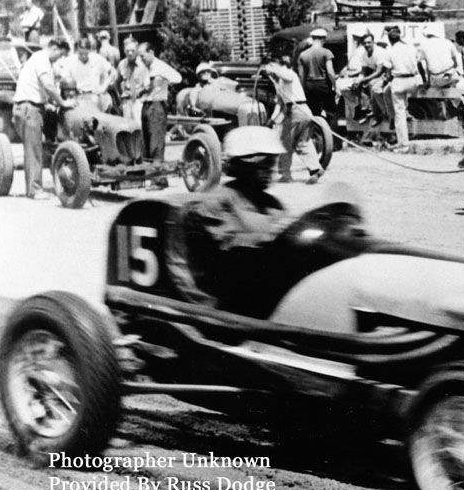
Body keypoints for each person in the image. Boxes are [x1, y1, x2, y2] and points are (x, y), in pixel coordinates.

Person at [173, 126, 290, 317]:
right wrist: (275, 237)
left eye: (273, 162)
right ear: (243, 165)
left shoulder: (270, 203)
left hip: (265, 290)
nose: (271, 170)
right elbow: (230, 244)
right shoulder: (214, 201)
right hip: (229, 300)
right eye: (265, 163)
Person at [12, 38, 72, 199]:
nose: (59, 59)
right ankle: (35, 190)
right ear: (54, 48)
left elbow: (43, 90)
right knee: (34, 149)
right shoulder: (41, 59)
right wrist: (62, 103)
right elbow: (48, 86)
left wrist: (50, 103)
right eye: (60, 54)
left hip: (34, 107)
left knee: (41, 144)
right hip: (28, 108)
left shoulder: (41, 60)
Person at [261, 55, 325, 184]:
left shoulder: (287, 73)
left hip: (297, 111)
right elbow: (280, 103)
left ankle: (285, 174)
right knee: (302, 142)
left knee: (285, 144)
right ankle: (316, 169)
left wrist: (273, 70)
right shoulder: (279, 81)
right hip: (301, 112)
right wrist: (271, 120)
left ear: (273, 65)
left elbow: (288, 77)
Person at [138, 42, 182, 164]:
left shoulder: (160, 66)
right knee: (146, 144)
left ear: (151, 53)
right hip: (146, 105)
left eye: (143, 56)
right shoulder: (144, 68)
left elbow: (178, 78)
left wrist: (164, 80)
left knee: (155, 144)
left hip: (156, 106)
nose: (141, 59)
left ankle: (157, 172)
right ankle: (150, 171)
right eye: (140, 57)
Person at [383, 25, 421, 153]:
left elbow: (388, 72)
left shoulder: (390, 50)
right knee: (388, 92)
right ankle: (397, 115)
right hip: (413, 80)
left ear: (390, 39)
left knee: (399, 114)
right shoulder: (410, 47)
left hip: (399, 81)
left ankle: (403, 145)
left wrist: (388, 78)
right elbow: (419, 64)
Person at [297, 28, 337, 127]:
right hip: (323, 84)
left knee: (314, 113)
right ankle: (333, 135)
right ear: (323, 39)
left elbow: (302, 76)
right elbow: (330, 72)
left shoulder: (303, 55)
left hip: (309, 85)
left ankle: (317, 133)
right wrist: (336, 87)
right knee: (331, 112)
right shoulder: (326, 52)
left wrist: (302, 91)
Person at [64, 37, 116, 111]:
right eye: (80, 54)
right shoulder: (70, 61)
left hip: (95, 96)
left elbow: (113, 72)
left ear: (90, 50)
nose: (83, 56)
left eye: (86, 54)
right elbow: (64, 79)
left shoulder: (97, 59)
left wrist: (104, 86)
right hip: (78, 96)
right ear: (77, 50)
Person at [116, 37, 148, 122]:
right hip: (126, 102)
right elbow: (117, 82)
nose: (130, 53)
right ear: (124, 50)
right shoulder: (121, 64)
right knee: (127, 126)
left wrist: (139, 93)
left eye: (133, 51)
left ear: (137, 50)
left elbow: (148, 85)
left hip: (139, 101)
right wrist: (120, 98)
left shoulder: (143, 64)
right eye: (127, 51)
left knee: (139, 126)